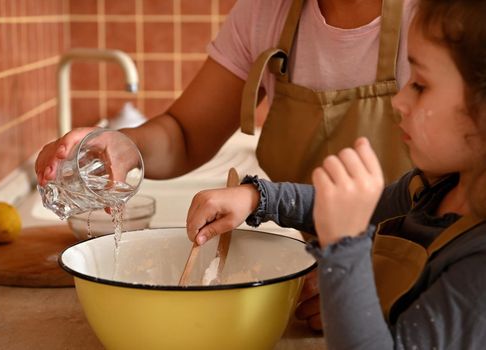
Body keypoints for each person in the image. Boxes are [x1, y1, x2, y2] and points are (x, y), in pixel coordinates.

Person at [36, 0, 415, 331]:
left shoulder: (433, 15)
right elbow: (185, 133)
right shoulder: (267, 11)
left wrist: (368, 280)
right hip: (324, 288)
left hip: (426, 278)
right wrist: (124, 146)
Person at [185, 0, 486, 348]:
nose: (399, 101)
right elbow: (346, 204)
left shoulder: (478, 270)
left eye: (420, 85)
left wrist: (344, 250)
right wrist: (256, 198)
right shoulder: (433, 188)